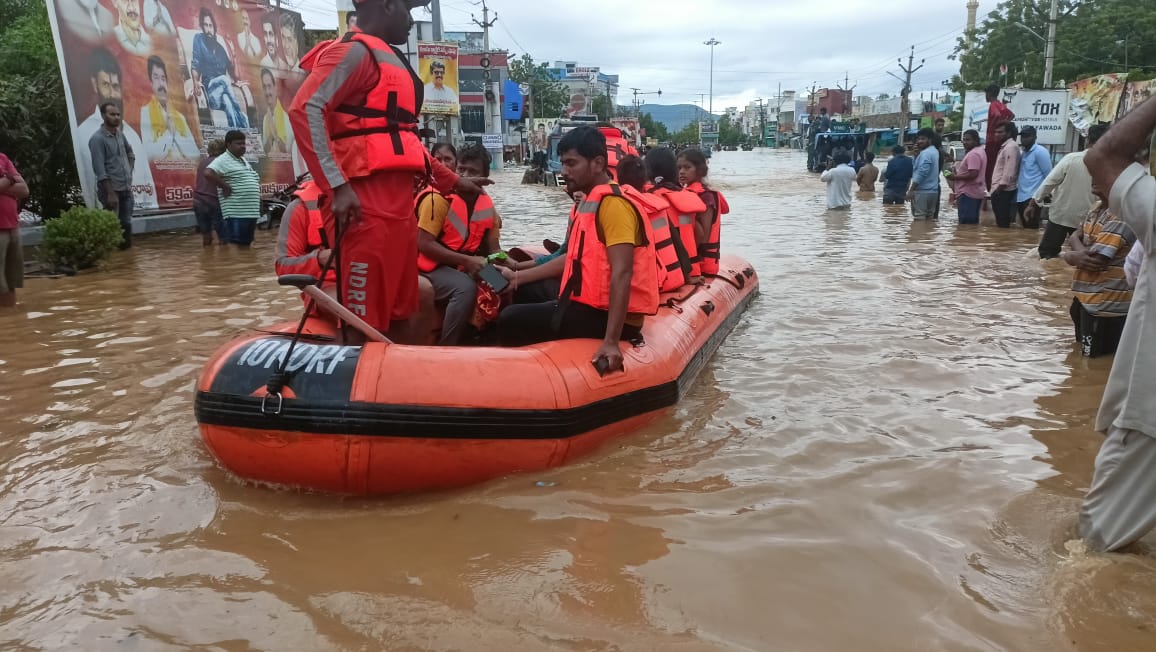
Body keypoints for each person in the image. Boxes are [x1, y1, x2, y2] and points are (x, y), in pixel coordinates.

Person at [289, 0, 488, 338]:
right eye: (408, 11)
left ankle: (397, 367)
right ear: (387, 5)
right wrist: (337, 185)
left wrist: (455, 182)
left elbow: (403, 140)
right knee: (362, 316)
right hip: (363, 205)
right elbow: (305, 109)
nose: (411, 21)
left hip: (398, 209)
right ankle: (357, 365)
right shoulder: (353, 53)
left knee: (402, 308)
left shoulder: (387, 58)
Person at [497, 126, 659, 373]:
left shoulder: (614, 207)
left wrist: (611, 341)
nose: (564, 172)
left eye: (571, 163)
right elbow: (571, 259)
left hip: (609, 317)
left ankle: (521, 378)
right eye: (563, 163)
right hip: (588, 304)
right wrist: (518, 277)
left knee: (511, 318)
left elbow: (622, 272)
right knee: (524, 291)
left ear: (598, 163)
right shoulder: (590, 203)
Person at [1077, 94, 1156, 552]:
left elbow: (1103, 156)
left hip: (1148, 412)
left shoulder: (1138, 217)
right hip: (1096, 306)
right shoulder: (1103, 214)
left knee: (1093, 549)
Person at [415, 145, 501, 345]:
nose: (465, 176)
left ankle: (486, 338)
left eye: (473, 172)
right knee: (464, 287)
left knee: (502, 284)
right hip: (426, 266)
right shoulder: (437, 199)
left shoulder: (487, 207)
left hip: (462, 264)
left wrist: (508, 265)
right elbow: (424, 244)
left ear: (485, 178)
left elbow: (494, 249)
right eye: (461, 169)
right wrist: (467, 261)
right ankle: (448, 346)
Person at [76, 48, 156, 211]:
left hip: (134, 207)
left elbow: (148, 185)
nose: (112, 94)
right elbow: (94, 177)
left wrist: (127, 172)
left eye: (115, 86)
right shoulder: (84, 133)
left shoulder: (132, 136)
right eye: (106, 85)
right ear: (95, 85)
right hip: (105, 211)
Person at [1062, 187, 1136, 358]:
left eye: (1098, 174)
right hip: (1085, 298)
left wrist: (1071, 254)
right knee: (1083, 361)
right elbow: (1078, 236)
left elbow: (1093, 261)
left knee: (1093, 361)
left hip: (1105, 305)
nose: (1093, 178)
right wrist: (1074, 241)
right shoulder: (1096, 207)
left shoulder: (1121, 215)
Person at [1030, 124, 1107, 258]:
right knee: (1084, 256)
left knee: (1047, 255)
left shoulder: (1071, 159)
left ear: (1088, 140)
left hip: (1061, 215)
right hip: (1087, 219)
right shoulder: (1107, 164)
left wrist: (1034, 202)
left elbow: (1050, 182)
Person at [617, 154, 689, 292]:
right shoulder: (656, 205)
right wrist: (688, 275)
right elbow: (677, 244)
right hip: (670, 281)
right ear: (645, 179)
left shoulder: (619, 206)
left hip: (644, 285)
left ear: (618, 179)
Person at [647, 147, 706, 277]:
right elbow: (700, 234)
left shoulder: (648, 200)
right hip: (691, 270)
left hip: (667, 275)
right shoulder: (687, 196)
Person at [88, 102, 137, 249]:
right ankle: (108, 255)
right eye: (112, 114)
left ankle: (126, 258)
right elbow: (100, 170)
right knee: (111, 225)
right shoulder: (97, 139)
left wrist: (129, 171)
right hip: (111, 190)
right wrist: (110, 193)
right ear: (103, 116)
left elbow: (130, 153)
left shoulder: (120, 134)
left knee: (126, 223)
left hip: (125, 188)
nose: (116, 117)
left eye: (118, 114)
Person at [192, 8, 249, 128]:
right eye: (206, 25)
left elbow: (234, 75)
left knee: (228, 102)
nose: (209, 29)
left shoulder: (220, 49)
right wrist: (195, 81)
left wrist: (234, 54)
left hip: (221, 94)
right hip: (210, 92)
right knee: (224, 79)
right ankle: (242, 117)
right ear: (202, 27)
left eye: (211, 26)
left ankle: (236, 132)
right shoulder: (198, 39)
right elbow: (195, 63)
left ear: (214, 28)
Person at [677, 148, 728, 276]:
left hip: (702, 265)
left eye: (687, 167)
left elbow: (703, 237)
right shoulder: (685, 194)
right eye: (679, 168)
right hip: (691, 263)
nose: (681, 172)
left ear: (700, 170)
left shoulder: (707, 197)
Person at [205, 130, 260, 247]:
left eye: (243, 143)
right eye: (238, 143)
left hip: (250, 212)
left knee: (246, 247)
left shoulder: (242, 160)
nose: (242, 146)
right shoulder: (223, 159)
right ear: (228, 145)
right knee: (235, 246)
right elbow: (208, 173)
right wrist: (225, 186)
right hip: (236, 213)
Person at [139, 56, 199, 161]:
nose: (161, 84)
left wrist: (176, 134)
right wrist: (169, 134)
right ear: (151, 83)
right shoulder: (145, 112)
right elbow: (149, 155)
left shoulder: (179, 117)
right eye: (156, 78)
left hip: (184, 169)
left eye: (163, 78)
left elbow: (195, 154)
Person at [0, 151, 29, 308]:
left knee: (11, 282)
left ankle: (11, 318)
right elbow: (16, 183)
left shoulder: (2, 157)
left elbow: (24, 190)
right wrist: (10, 180)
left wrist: (4, 183)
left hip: (12, 227)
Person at [948, 129, 988, 225]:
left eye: (968, 140)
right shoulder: (980, 151)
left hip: (967, 193)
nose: (965, 142)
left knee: (965, 225)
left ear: (976, 141)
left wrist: (955, 177)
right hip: (975, 192)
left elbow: (973, 174)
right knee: (971, 226)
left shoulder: (973, 154)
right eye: (964, 140)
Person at [1015, 126, 1052, 227]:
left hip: (1033, 197)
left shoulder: (1040, 152)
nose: (1024, 139)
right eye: (1022, 136)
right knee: (1025, 228)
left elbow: (1049, 175)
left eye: (1027, 136)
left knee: (1031, 227)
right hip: (1021, 196)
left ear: (1034, 137)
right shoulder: (1024, 153)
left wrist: (1043, 195)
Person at [193, 139, 226, 245]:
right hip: (214, 202)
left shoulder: (202, 163)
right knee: (224, 238)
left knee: (206, 236)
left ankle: (207, 253)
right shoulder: (221, 163)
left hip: (198, 201)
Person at [989, 122, 1021, 228]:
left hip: (1003, 191)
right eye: (996, 132)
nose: (996, 135)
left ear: (1009, 133)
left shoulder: (1011, 147)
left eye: (1000, 132)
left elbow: (1009, 172)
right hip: (1000, 190)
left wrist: (998, 190)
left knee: (1003, 224)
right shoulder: (1006, 146)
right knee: (1000, 223)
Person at [984, 84, 1015, 187]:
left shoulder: (993, 104)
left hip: (992, 140)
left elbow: (996, 115)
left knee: (990, 168)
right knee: (998, 165)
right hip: (1000, 141)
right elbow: (1011, 115)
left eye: (986, 94)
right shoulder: (1001, 104)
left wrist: (994, 127)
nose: (985, 96)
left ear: (989, 94)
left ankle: (990, 188)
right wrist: (1004, 125)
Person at [907, 127, 941, 220]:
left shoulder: (926, 153)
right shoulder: (935, 151)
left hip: (922, 192)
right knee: (929, 218)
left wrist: (911, 190)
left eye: (923, 139)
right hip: (933, 192)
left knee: (919, 219)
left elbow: (922, 173)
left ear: (930, 140)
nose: (919, 141)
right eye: (918, 139)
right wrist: (916, 156)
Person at [260, 68, 292, 156]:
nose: (267, 92)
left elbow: (288, 150)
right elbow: (266, 151)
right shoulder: (266, 118)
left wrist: (274, 134)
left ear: (275, 88)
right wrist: (270, 135)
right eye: (264, 87)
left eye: (269, 86)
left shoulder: (286, 117)